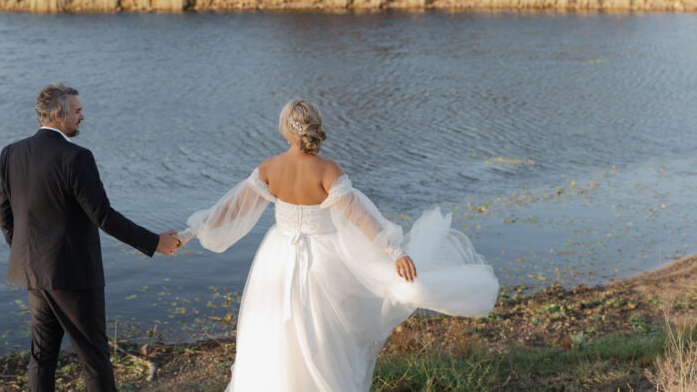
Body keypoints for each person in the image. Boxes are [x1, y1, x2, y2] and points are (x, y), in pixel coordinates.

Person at [179, 99, 499, 391]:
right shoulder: (328, 170)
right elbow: (361, 217)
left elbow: (230, 210)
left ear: (285, 130)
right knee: (327, 332)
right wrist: (395, 252)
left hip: (277, 257)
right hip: (324, 260)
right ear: (314, 127)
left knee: (275, 327)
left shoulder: (269, 168)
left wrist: (189, 233)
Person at [0, 83, 181, 392]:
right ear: (58, 115)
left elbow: (5, 217)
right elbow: (103, 216)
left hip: (33, 272)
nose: (83, 116)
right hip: (73, 275)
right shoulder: (76, 157)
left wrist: (31, 257)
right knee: (94, 357)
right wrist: (154, 242)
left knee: (41, 356)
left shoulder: (11, 153)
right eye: (78, 111)